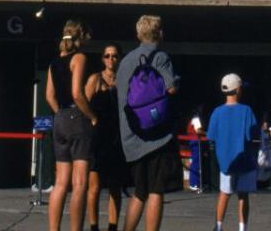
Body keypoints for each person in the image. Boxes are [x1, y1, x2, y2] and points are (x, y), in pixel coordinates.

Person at [115, 15, 180, 231]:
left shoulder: (125, 62)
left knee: (139, 192)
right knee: (155, 191)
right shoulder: (160, 57)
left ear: (138, 34)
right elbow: (171, 88)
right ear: (159, 33)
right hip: (157, 136)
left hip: (132, 136)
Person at [46, 20, 97, 231]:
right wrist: (91, 116)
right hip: (77, 118)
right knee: (80, 183)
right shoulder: (79, 58)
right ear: (81, 35)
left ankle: (53, 229)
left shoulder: (54, 62)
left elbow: (49, 96)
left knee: (60, 182)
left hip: (60, 119)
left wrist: (61, 113)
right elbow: (77, 93)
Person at [206, 74, 258, 231]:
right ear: (238, 89)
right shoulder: (246, 110)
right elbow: (252, 135)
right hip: (245, 159)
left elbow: (211, 136)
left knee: (224, 193)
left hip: (226, 161)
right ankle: (242, 228)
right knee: (243, 195)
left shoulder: (216, 112)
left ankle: (219, 226)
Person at [85, 43, 126, 231]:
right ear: (102, 58)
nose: (111, 59)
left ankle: (112, 226)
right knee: (94, 187)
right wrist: (92, 119)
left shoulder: (124, 81)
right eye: (108, 55)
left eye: (115, 56)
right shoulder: (95, 79)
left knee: (115, 186)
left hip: (117, 138)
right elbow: (82, 105)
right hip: (97, 138)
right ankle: (93, 226)